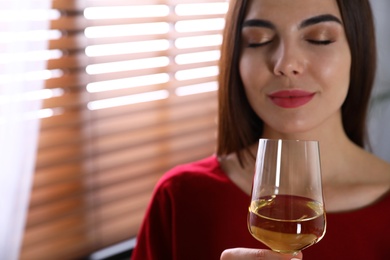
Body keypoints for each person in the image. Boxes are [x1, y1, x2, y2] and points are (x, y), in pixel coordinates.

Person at [131, 0, 390, 259]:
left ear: (357, 50)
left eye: (318, 39)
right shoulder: (180, 196)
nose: (285, 64)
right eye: (259, 40)